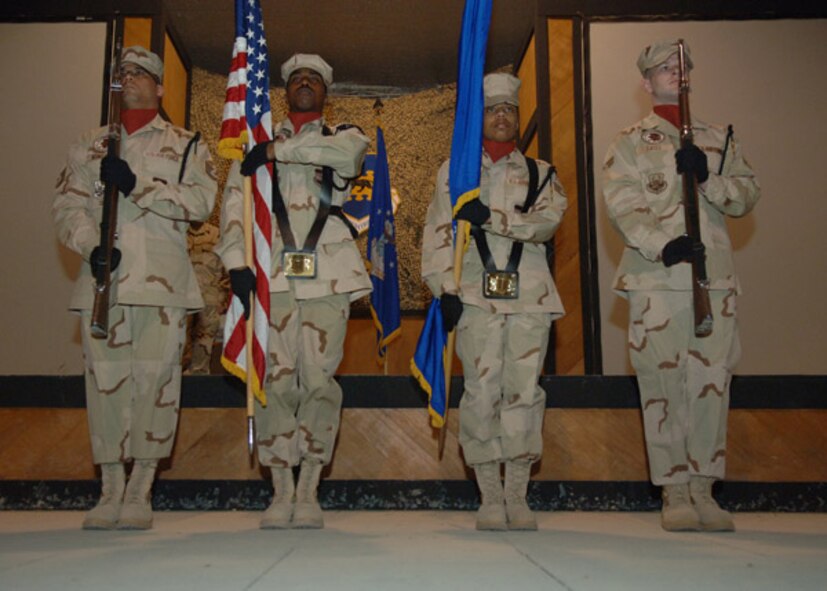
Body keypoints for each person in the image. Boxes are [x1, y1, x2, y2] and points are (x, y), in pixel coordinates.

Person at [53, 45, 218, 530]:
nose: (129, 78)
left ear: (160, 87)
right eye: (122, 72)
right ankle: (110, 489)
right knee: (104, 386)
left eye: (140, 73)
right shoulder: (89, 145)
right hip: (103, 283)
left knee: (157, 386)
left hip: (161, 287)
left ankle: (141, 488)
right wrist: (91, 246)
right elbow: (67, 207)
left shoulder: (186, 144)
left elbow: (201, 203)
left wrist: (136, 183)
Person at [602, 40, 760, 532]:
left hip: (712, 281)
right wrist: (661, 244)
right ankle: (673, 490)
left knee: (711, 383)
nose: (675, 72)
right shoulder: (629, 142)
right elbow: (621, 202)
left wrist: (708, 178)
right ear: (646, 82)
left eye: (682, 66)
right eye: (664, 67)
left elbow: (746, 195)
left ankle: (703, 488)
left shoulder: (719, 138)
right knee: (663, 384)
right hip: (657, 280)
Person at [216, 53, 371, 530]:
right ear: (285, 90)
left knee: (320, 383)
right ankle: (282, 488)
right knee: (276, 383)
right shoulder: (255, 141)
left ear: (326, 91)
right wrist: (235, 263)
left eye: (314, 79)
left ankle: (309, 490)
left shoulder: (344, 135)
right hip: (272, 277)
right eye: (297, 78)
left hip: (328, 277)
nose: (305, 83)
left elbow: (347, 159)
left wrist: (278, 152)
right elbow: (235, 204)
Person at [421, 73, 567, 531]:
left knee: (524, 393)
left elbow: (546, 224)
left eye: (509, 109)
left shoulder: (542, 173)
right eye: (492, 109)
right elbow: (436, 234)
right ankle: (489, 496)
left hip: (530, 298)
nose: (501, 116)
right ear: (477, 118)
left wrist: (491, 217)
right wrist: (443, 289)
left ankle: (517, 495)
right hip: (472, 296)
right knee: (481, 393)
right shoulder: (455, 172)